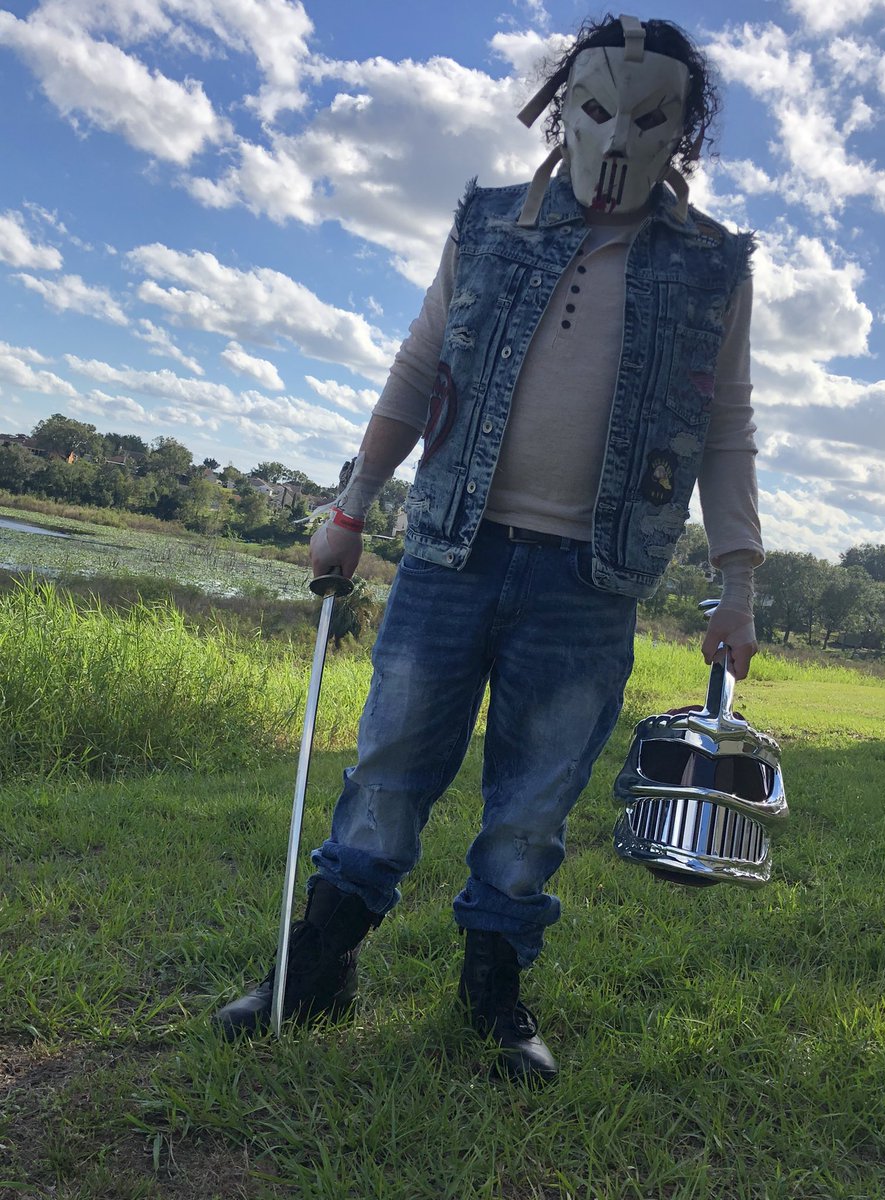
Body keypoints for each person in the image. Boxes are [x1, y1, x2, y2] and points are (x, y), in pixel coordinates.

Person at [212, 14, 763, 1084]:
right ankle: (316, 967)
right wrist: (351, 506)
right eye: (596, 108)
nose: (617, 136)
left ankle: (491, 994)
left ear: (682, 130)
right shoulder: (489, 224)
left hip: (589, 580)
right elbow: (419, 366)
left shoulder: (712, 268)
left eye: (648, 118)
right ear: (562, 107)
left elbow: (727, 425)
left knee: (534, 802)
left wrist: (736, 583)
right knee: (387, 768)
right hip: (449, 556)